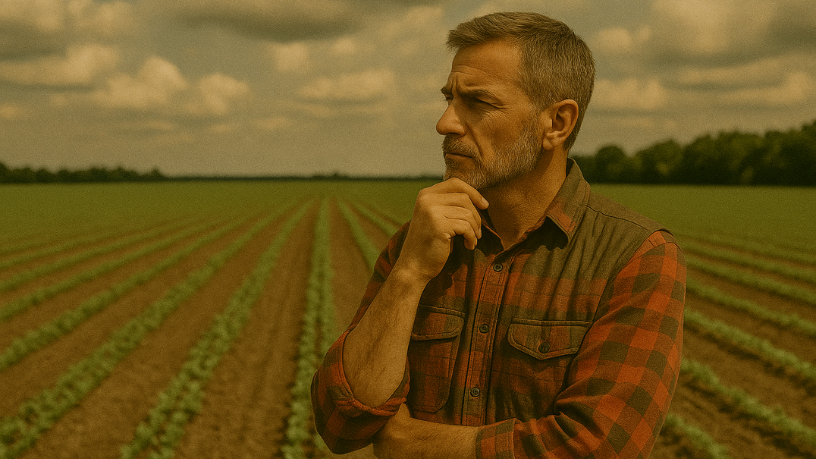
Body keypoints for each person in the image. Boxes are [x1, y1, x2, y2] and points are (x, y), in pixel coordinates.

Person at [311, 11, 685, 459]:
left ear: (557, 124)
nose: (445, 123)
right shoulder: (420, 242)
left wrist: (413, 445)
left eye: (478, 103)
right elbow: (342, 423)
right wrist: (408, 275)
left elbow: (599, 447)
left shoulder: (635, 256)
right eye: (449, 98)